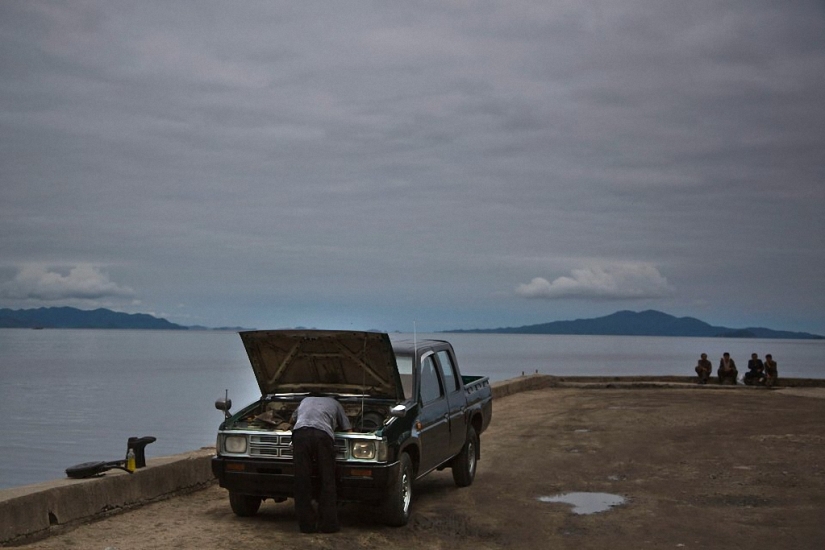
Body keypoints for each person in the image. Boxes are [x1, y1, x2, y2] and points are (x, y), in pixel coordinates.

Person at [289, 396, 352, 534]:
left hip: (300, 434)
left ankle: (306, 526)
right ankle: (329, 525)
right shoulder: (335, 403)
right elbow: (347, 428)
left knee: (302, 480)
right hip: (322, 435)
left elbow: (292, 420)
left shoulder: (304, 400)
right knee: (327, 479)